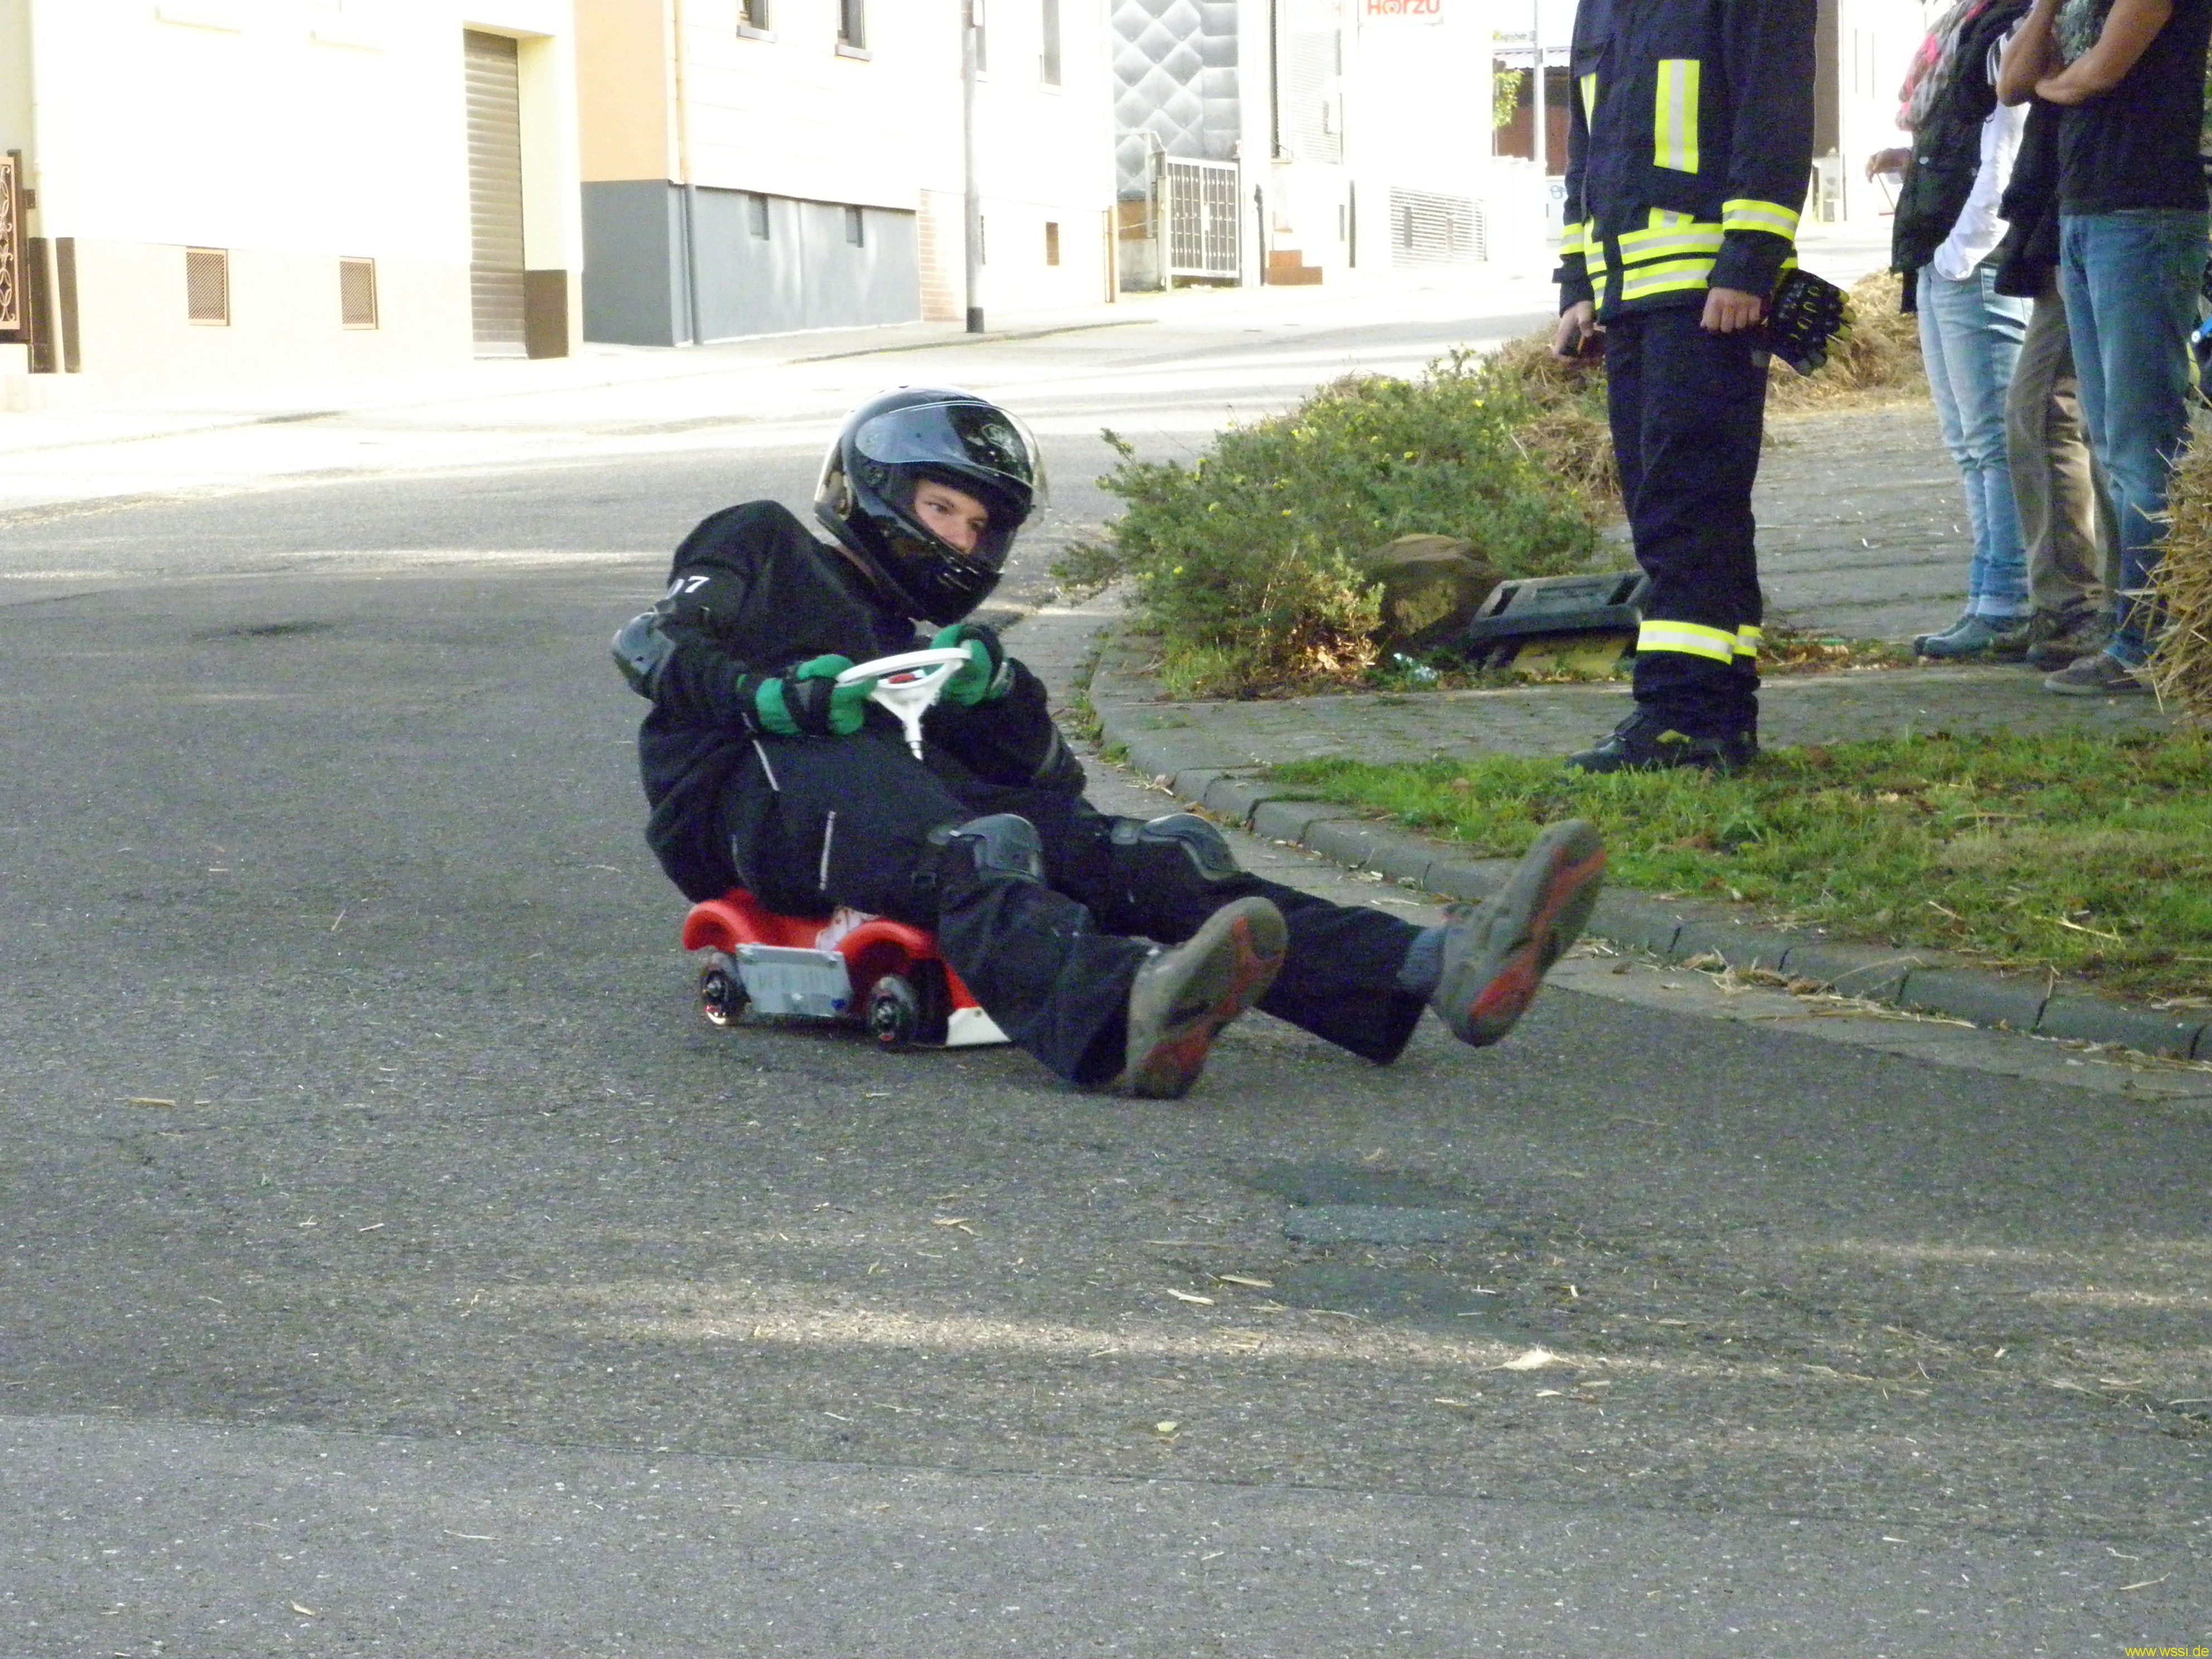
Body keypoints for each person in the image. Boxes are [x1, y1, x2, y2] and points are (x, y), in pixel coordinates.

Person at [613, 387, 1607, 1098]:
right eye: (939, 509)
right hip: (743, 792)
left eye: (979, 526)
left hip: (880, 801)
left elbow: (1048, 779)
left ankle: (1435, 966)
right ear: (873, 491)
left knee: (1132, 854)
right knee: (971, 847)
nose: (961, 541)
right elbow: (651, 645)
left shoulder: (928, 649)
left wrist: (995, 687)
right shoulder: (759, 544)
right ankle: (1120, 1017)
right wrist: (775, 696)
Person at [1553, 0, 1820, 773]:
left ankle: (1682, 716)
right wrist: (1577, 279)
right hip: (1629, 293)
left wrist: (1748, 263)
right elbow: (1588, 149)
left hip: (1709, 293)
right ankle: (1716, 716)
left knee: (1688, 507)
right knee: (1668, 509)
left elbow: (1774, 116)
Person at [1998, 0, 2212, 694]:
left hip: (2145, 212)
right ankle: (2137, 634)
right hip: (2084, 212)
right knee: (2108, 439)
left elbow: (2100, 73)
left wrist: (2060, 83)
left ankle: (2153, 643)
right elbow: (2011, 83)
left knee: (2141, 443)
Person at [1873, 0, 2037, 661]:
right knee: (1967, 440)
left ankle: (2005, 600)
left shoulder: (2008, 22)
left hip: (1969, 256)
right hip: (1939, 251)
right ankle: (1989, 596)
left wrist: (1962, 249)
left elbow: (2007, 136)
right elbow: (1965, 129)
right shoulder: (1972, 20)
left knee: (1992, 438)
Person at [1992, 94, 2122, 671]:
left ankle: (2120, 615)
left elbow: (2088, 78)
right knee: (2038, 413)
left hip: (2130, 209)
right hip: (2069, 208)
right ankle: (2072, 604)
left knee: (2115, 430)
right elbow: (2016, 84)